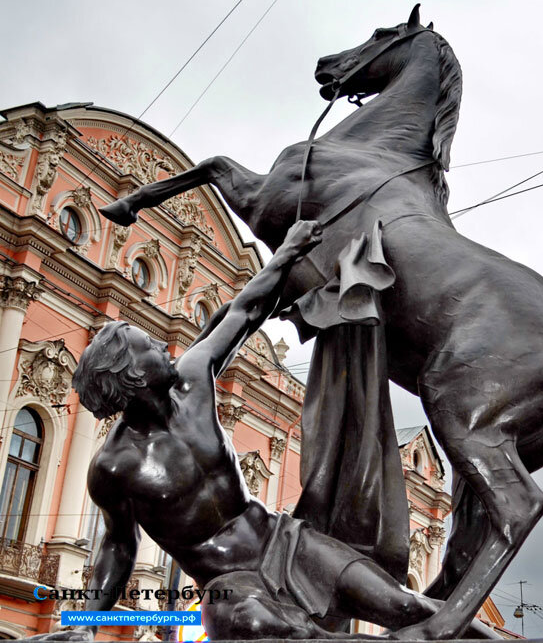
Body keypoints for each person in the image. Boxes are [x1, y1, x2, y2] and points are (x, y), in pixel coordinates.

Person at [43, 220, 495, 641]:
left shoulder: (194, 378)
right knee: (279, 630)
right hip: (230, 584)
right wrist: (86, 625)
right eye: (148, 346)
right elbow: (119, 548)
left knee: (405, 605)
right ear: (132, 375)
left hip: (284, 541)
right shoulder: (114, 467)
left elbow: (243, 312)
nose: (163, 344)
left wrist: (286, 255)